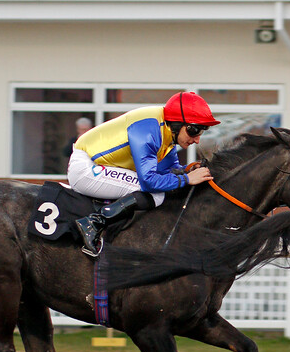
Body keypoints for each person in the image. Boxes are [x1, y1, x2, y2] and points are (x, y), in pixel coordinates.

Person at [67, 91, 217, 256]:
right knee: (156, 195)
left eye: (201, 132)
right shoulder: (150, 130)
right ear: (177, 123)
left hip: (97, 166)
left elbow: (170, 170)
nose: (197, 140)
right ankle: (94, 223)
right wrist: (187, 179)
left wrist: (187, 170)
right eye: (194, 131)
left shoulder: (167, 134)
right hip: (85, 169)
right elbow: (149, 182)